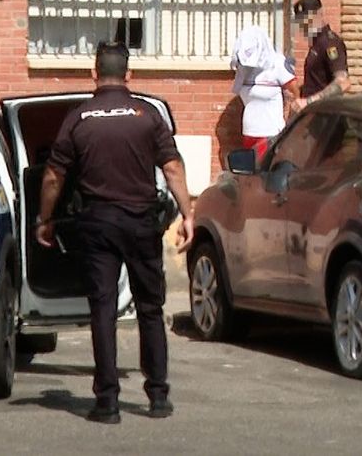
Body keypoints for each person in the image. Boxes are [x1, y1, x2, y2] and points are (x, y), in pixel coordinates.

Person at [33, 40, 195, 425]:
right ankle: (157, 396)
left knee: (102, 310)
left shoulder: (79, 117)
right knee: (150, 308)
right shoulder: (147, 114)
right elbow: (172, 167)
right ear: (129, 74)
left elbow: (54, 175)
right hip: (141, 223)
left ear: (93, 74)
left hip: (97, 224)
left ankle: (107, 402)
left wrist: (45, 218)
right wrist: (187, 213)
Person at [230, 25, 297, 160]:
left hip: (270, 133)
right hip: (249, 132)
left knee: (265, 173)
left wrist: (290, 118)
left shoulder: (277, 64)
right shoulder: (245, 68)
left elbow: (295, 91)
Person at [291, 0, 350, 112]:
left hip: (328, 116)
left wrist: (308, 101)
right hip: (315, 115)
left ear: (319, 14)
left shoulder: (330, 43)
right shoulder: (316, 44)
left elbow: (343, 83)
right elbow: (318, 82)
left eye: (307, 19)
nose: (304, 25)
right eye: (301, 21)